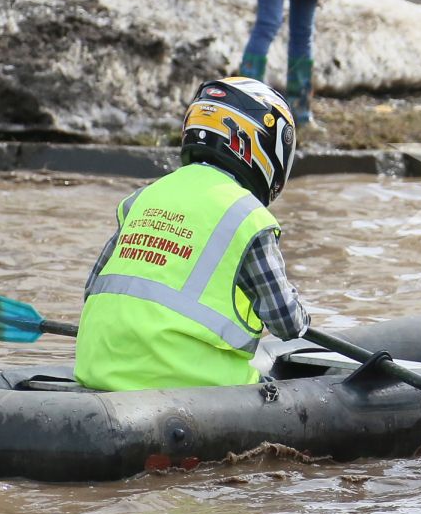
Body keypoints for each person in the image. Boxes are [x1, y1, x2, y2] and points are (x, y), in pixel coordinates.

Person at [74, 77, 308, 392]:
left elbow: (93, 289)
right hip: (184, 384)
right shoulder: (247, 216)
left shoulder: (143, 197)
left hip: (98, 371)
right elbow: (287, 322)